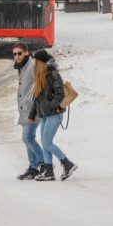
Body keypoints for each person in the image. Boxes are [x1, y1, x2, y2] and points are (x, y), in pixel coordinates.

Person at [27, 50, 78, 181]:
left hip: (54, 114)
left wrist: (50, 106)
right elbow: (37, 98)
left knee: (46, 142)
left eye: (34, 60)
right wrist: (33, 114)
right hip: (45, 115)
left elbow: (60, 94)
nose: (33, 63)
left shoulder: (53, 74)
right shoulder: (40, 75)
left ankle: (68, 164)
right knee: (45, 143)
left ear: (40, 62)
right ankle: (48, 172)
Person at [13, 43, 44, 180]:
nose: (17, 57)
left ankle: (44, 164)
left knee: (27, 137)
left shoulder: (32, 66)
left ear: (26, 52)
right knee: (27, 139)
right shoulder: (22, 67)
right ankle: (33, 167)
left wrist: (33, 109)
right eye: (14, 54)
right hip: (25, 110)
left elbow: (39, 87)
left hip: (33, 109)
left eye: (19, 53)